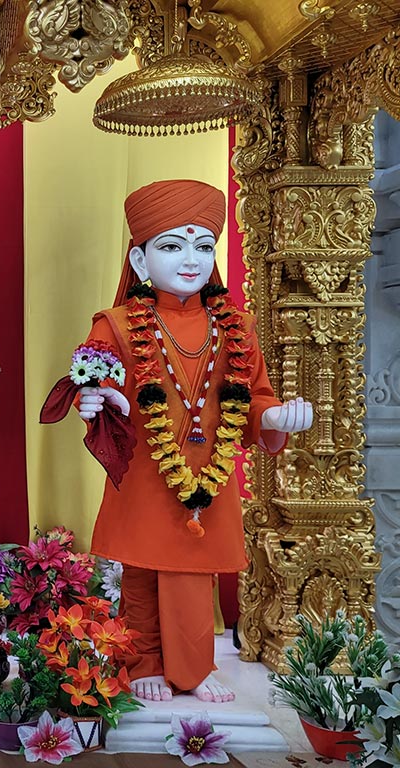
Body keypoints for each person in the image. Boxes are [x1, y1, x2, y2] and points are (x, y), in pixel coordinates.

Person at [75, 179, 312, 704]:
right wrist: (98, 400)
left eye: (204, 245)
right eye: (172, 245)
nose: (191, 258)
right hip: (145, 469)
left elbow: (254, 401)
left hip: (210, 470)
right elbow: (95, 378)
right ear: (138, 260)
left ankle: (195, 667)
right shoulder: (116, 324)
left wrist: (277, 416)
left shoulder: (238, 327)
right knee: (140, 569)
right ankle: (143, 663)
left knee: (195, 571)